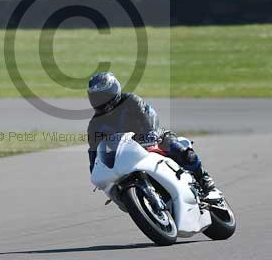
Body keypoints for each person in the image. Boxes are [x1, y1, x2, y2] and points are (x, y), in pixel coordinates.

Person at [86, 71, 216, 194]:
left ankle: (204, 179)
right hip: (126, 157)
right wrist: (95, 170)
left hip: (152, 138)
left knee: (179, 150)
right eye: (96, 97)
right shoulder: (95, 125)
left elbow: (148, 115)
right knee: (114, 187)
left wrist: (150, 134)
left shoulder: (130, 100)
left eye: (103, 96)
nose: (100, 101)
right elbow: (94, 151)